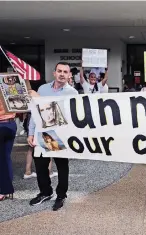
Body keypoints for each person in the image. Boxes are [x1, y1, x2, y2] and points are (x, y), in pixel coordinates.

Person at [27, 61, 78, 211]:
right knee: (41, 166)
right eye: (59, 71)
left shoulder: (72, 93)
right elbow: (34, 113)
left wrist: (42, 100)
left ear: (69, 75)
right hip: (42, 134)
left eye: (65, 72)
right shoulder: (42, 89)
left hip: (59, 136)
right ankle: (45, 192)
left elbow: (70, 117)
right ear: (54, 73)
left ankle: (61, 195)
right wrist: (31, 132)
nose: (62, 74)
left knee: (62, 166)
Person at [0, 96, 17, 201]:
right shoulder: (9, 86)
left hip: (1, 124)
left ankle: (3, 189)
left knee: (2, 158)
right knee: (6, 157)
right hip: (11, 123)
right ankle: (7, 189)